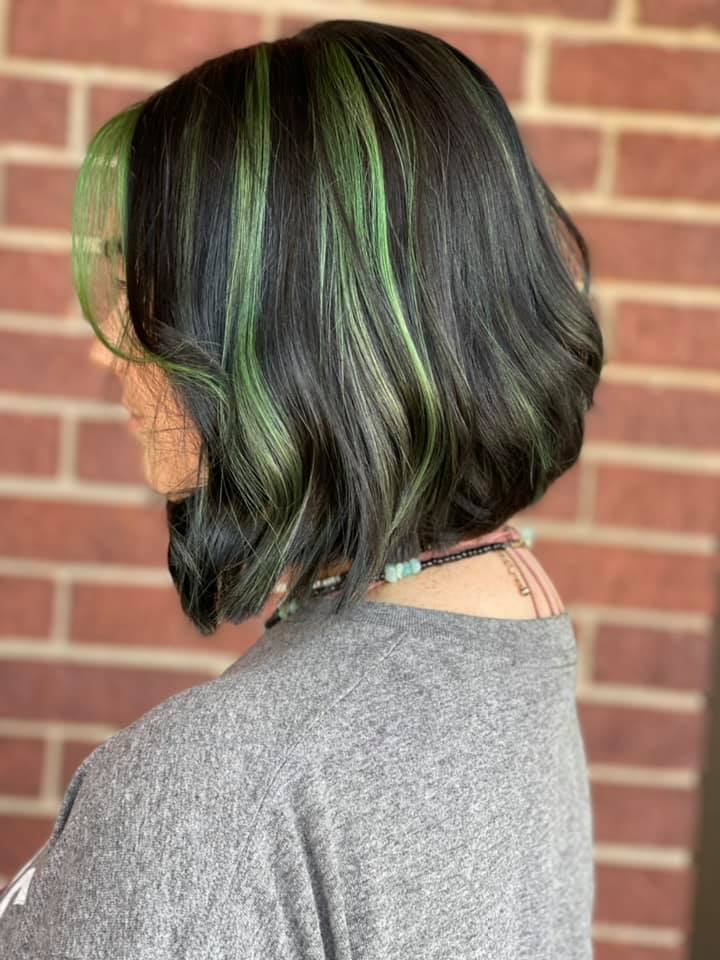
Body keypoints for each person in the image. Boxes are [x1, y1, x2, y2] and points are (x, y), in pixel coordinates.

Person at [0, 18, 603, 958]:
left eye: (152, 292)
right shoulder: (510, 624)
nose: (107, 346)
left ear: (288, 337)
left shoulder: (206, 796)